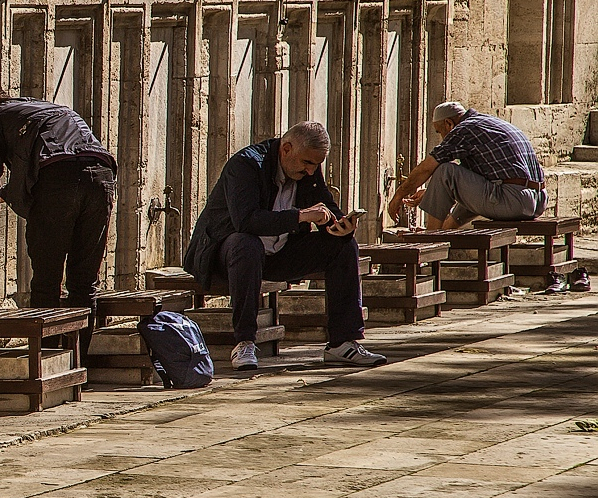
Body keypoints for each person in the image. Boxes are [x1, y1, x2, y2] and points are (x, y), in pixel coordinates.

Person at [183, 122, 385, 371]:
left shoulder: (308, 171)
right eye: (307, 163)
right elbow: (246, 221)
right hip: (226, 257)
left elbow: (324, 204)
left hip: (278, 254)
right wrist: (300, 216)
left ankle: (343, 343)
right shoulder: (246, 165)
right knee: (246, 244)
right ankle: (245, 342)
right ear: (286, 148)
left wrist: (340, 226)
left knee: (344, 247)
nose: (311, 171)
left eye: (316, 165)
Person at [0, 88, 117, 313]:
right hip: (101, 177)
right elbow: (62, 162)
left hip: (56, 183)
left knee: (46, 281)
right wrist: (1, 196)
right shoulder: (52, 110)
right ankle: (82, 338)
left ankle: (46, 336)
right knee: (84, 282)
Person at [386, 102, 545, 230]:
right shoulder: (488, 123)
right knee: (458, 177)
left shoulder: (464, 129)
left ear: (448, 123)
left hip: (514, 200)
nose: (442, 138)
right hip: (538, 201)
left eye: (439, 132)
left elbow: (426, 168)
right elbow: (476, 186)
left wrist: (398, 195)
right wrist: (433, 192)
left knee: (444, 170)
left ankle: (430, 238)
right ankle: (441, 231)